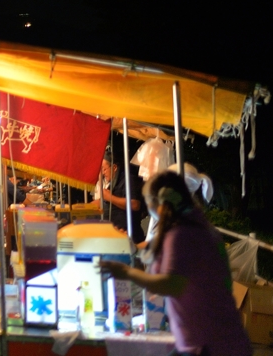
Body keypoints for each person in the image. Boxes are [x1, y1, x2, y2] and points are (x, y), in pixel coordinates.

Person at [101, 171, 249, 356]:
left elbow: (171, 284)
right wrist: (127, 245)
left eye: (149, 202)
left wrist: (126, 272)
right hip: (210, 338)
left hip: (209, 343)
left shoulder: (183, 233)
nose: (148, 208)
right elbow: (152, 247)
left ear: (161, 204)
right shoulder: (192, 225)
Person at [96, 147, 144, 243]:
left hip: (129, 237)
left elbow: (135, 204)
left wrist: (110, 197)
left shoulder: (128, 180)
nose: (103, 173)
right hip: (114, 237)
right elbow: (104, 201)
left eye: (104, 169)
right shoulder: (112, 183)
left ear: (114, 167)